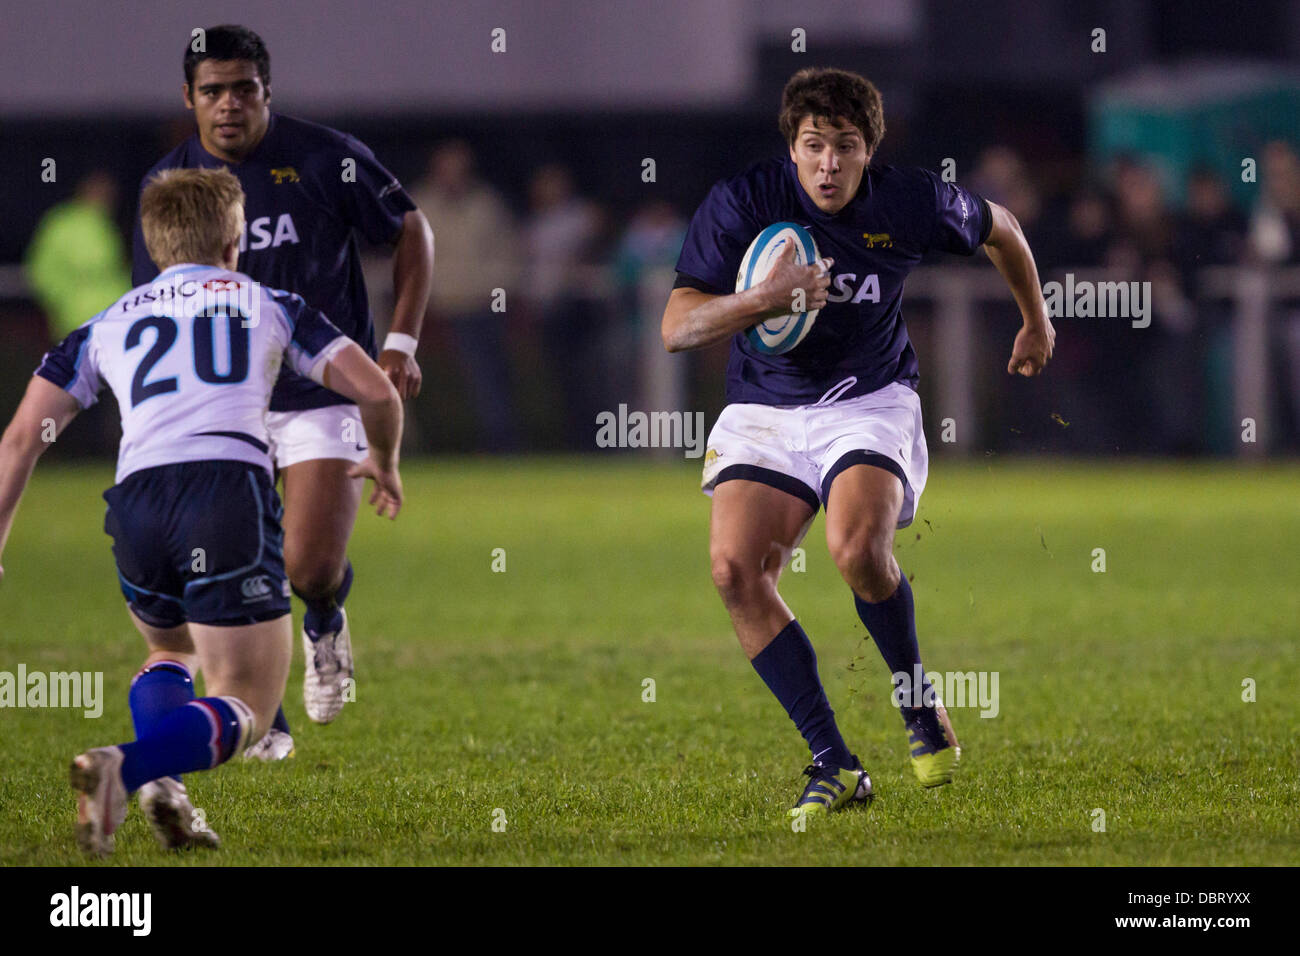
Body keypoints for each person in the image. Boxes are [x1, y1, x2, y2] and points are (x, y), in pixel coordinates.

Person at [661, 68, 1054, 817]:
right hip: (765, 408)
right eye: (814, 146)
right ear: (793, 147)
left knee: (855, 550)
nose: (829, 165)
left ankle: (916, 705)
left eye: (846, 146)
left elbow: (1001, 226)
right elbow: (677, 328)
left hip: (868, 401)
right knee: (733, 570)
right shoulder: (743, 202)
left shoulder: (909, 200)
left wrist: (1035, 319)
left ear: (869, 148)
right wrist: (764, 300)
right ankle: (833, 762)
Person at [0, 167, 404, 855]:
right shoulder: (270, 301)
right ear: (233, 241)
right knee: (247, 701)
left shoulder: (107, 322)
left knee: (168, 648)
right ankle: (124, 769)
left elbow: (18, 440)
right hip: (223, 494)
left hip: (135, 505)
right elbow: (377, 393)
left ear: (154, 247)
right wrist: (385, 462)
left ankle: (166, 793)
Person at [131, 25, 434, 758]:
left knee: (308, 566)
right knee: (221, 564)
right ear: (189, 98)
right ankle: (261, 712)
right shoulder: (167, 186)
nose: (229, 105)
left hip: (319, 389)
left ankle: (325, 617)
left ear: (267, 91)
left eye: (243, 89)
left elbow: (412, 230)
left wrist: (399, 342)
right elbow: (156, 303)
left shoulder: (326, 159)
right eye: (213, 92)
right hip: (223, 401)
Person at [409, 141, 520, 451]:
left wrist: (499, 291)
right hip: (436, 308)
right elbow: (410, 254)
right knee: (425, 379)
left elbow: (507, 251)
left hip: (482, 303)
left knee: (490, 376)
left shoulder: (486, 202)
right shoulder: (422, 202)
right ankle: (429, 443)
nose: (453, 174)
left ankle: (498, 441)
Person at [24, 170, 132, 342]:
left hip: (110, 317)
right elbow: (41, 269)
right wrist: (61, 301)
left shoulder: (102, 222)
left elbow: (114, 271)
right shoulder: (68, 222)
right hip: (81, 317)